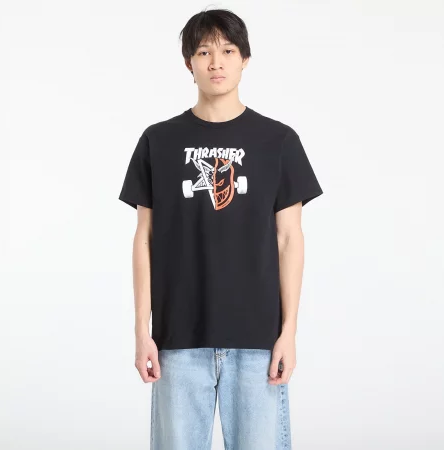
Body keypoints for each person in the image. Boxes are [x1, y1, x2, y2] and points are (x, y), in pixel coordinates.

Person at [118, 8, 323, 450]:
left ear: (245, 59)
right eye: (204, 52)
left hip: (258, 340)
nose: (216, 62)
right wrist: (141, 331)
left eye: (228, 51)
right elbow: (144, 238)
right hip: (177, 338)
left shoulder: (278, 141)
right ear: (188, 63)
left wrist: (289, 331)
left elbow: (289, 239)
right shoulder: (158, 141)